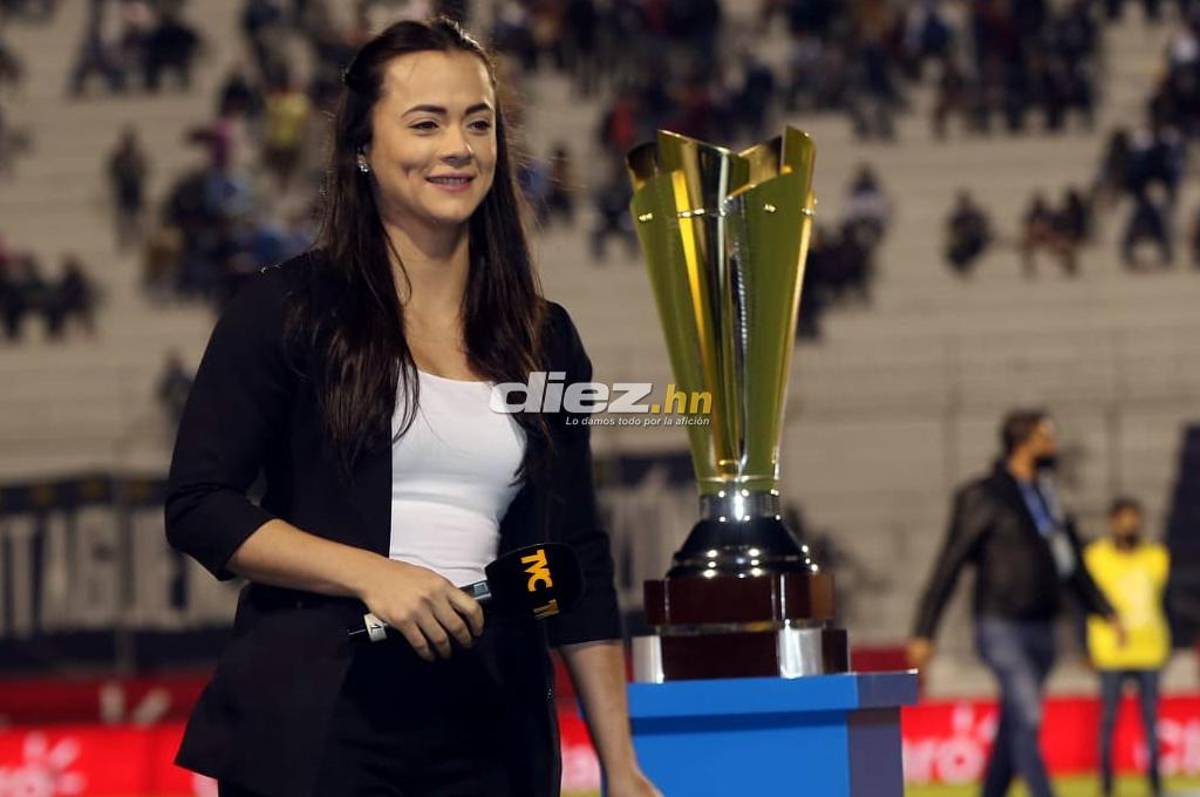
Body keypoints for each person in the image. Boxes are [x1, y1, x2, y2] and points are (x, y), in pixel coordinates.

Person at [164, 18, 658, 797]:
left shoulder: (544, 334)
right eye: (425, 123)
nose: (456, 147)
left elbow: (576, 559)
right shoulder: (287, 307)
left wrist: (620, 765)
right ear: (363, 147)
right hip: (324, 718)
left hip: (492, 725)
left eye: (478, 122)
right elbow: (199, 504)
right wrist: (375, 576)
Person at [908, 409, 1120, 797]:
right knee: (1028, 712)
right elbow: (949, 563)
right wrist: (925, 630)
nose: (1054, 447)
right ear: (1023, 443)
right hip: (1000, 623)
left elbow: (1071, 563)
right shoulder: (983, 495)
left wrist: (1104, 611)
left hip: (1043, 625)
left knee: (1016, 723)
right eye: (1046, 439)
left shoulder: (1049, 497)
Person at [1085, 497, 1170, 797]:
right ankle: (1106, 786)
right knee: (1108, 721)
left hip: (1149, 650)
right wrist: (1089, 648)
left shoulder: (1157, 555)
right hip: (1111, 652)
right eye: (1124, 518)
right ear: (1112, 522)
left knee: (1150, 721)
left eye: (1134, 518)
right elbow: (1087, 599)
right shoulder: (1095, 556)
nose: (1130, 524)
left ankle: (1156, 785)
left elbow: (1164, 598)